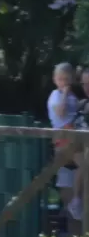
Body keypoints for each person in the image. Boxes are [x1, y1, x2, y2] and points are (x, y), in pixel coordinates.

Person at [47, 62, 83, 220]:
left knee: (84, 166)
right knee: (85, 165)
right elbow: (61, 113)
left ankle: (76, 200)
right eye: (60, 79)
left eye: (67, 80)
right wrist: (64, 93)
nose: (63, 83)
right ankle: (75, 201)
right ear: (55, 79)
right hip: (64, 137)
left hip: (74, 134)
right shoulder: (55, 95)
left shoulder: (72, 96)